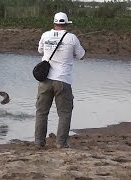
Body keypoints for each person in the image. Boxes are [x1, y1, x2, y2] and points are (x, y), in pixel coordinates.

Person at [35, 12, 85, 149]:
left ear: (54, 23)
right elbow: (81, 55)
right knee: (64, 113)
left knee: (41, 112)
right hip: (63, 80)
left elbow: (40, 50)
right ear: (66, 24)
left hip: (45, 80)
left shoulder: (45, 35)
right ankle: (61, 143)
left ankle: (39, 143)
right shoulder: (72, 38)